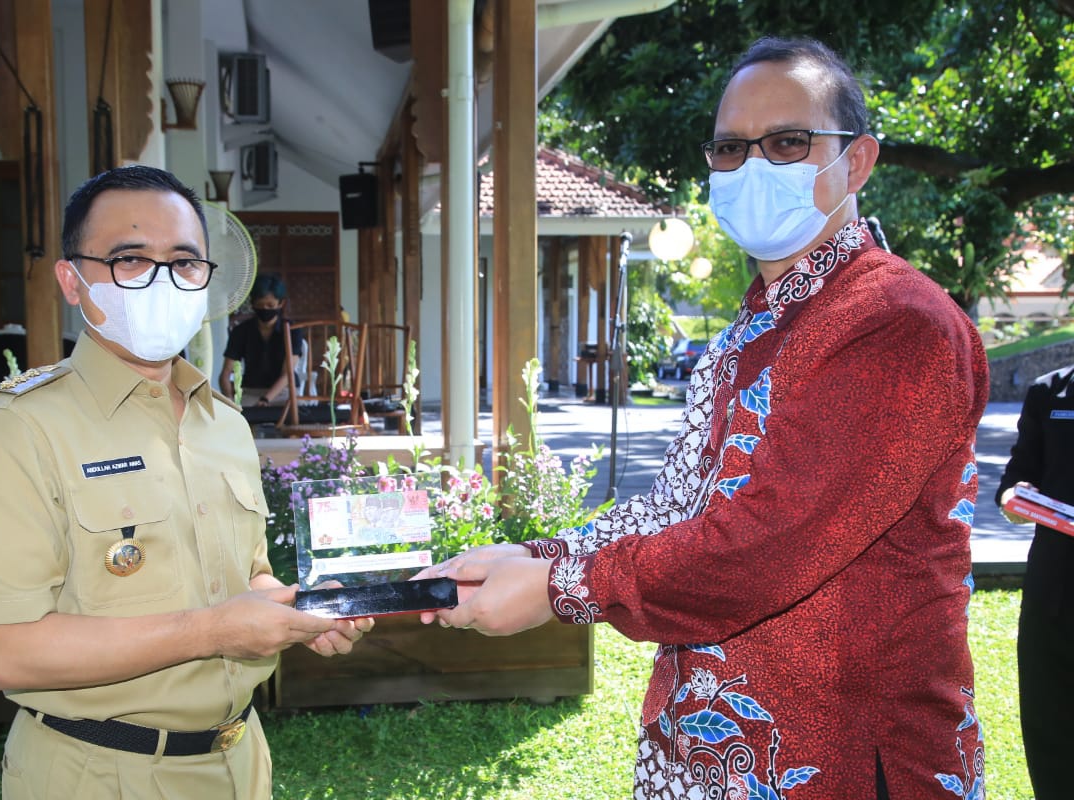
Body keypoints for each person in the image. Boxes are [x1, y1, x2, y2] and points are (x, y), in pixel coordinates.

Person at [421, 37, 989, 799]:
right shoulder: (750, 331)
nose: (754, 165)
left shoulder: (895, 322)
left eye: (788, 141)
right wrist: (532, 552)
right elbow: (680, 509)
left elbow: (767, 543)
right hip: (710, 746)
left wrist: (561, 587)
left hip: (851, 756)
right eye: (730, 148)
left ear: (855, 162)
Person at [0, 165, 370, 800]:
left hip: (240, 762)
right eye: (129, 260)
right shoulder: (19, 429)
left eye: (184, 261)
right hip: (98, 771)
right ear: (71, 279)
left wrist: (296, 609)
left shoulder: (223, 421)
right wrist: (217, 630)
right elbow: (6, 651)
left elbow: (245, 576)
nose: (162, 281)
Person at [996, 363, 1074, 800]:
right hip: (1055, 593)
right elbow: (1014, 483)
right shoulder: (1050, 392)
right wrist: (1014, 498)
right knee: (1051, 731)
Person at [219, 274, 304, 408]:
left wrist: (266, 399)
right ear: (253, 304)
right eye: (260, 305)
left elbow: (287, 374)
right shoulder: (240, 331)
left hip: (283, 393)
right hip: (250, 392)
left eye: (270, 305)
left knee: (294, 411)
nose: (265, 309)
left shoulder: (292, 331)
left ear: (281, 303)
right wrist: (229, 400)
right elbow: (225, 373)